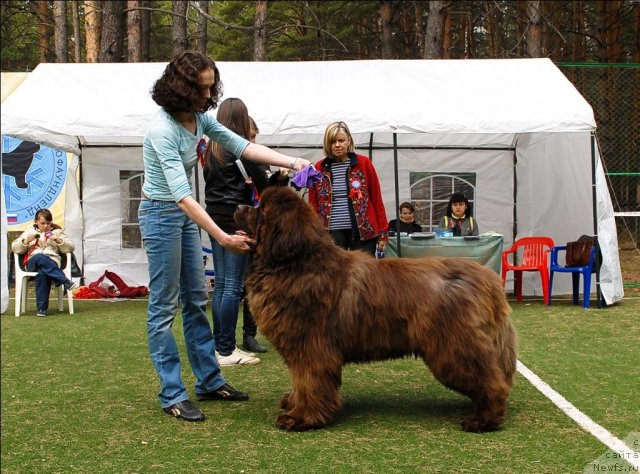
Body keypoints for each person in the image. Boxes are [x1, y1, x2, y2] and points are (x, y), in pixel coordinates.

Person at [140, 51, 310, 422]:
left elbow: (244, 147)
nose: (209, 95)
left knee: (197, 298)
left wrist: (293, 162)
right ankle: (172, 393)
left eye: (211, 86)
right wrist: (222, 237)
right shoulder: (162, 130)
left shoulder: (199, 119)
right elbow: (182, 196)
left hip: (183, 214)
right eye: (202, 88)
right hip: (161, 214)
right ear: (182, 88)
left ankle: (209, 381)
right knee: (164, 306)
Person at [202, 100, 275, 366]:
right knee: (233, 286)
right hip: (237, 219)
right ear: (243, 121)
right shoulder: (241, 149)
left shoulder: (211, 149)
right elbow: (265, 184)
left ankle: (220, 345)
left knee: (222, 285)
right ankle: (226, 349)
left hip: (214, 217)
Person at [308, 121, 388, 256]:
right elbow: (313, 204)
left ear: (349, 141)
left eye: (341, 140)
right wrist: (314, 232)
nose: (337, 145)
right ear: (327, 143)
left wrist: (383, 233)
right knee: (334, 274)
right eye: (333, 141)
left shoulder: (364, 163)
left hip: (364, 231)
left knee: (365, 274)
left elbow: (376, 198)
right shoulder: (319, 168)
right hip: (331, 233)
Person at [11, 209, 77, 317]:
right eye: (42, 223)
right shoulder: (29, 232)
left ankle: (42, 309)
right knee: (40, 257)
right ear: (36, 221)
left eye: (48, 223)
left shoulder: (57, 232)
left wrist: (59, 240)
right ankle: (64, 280)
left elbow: (70, 247)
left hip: (52, 261)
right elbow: (15, 248)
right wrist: (25, 241)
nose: (45, 226)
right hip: (33, 262)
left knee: (43, 272)